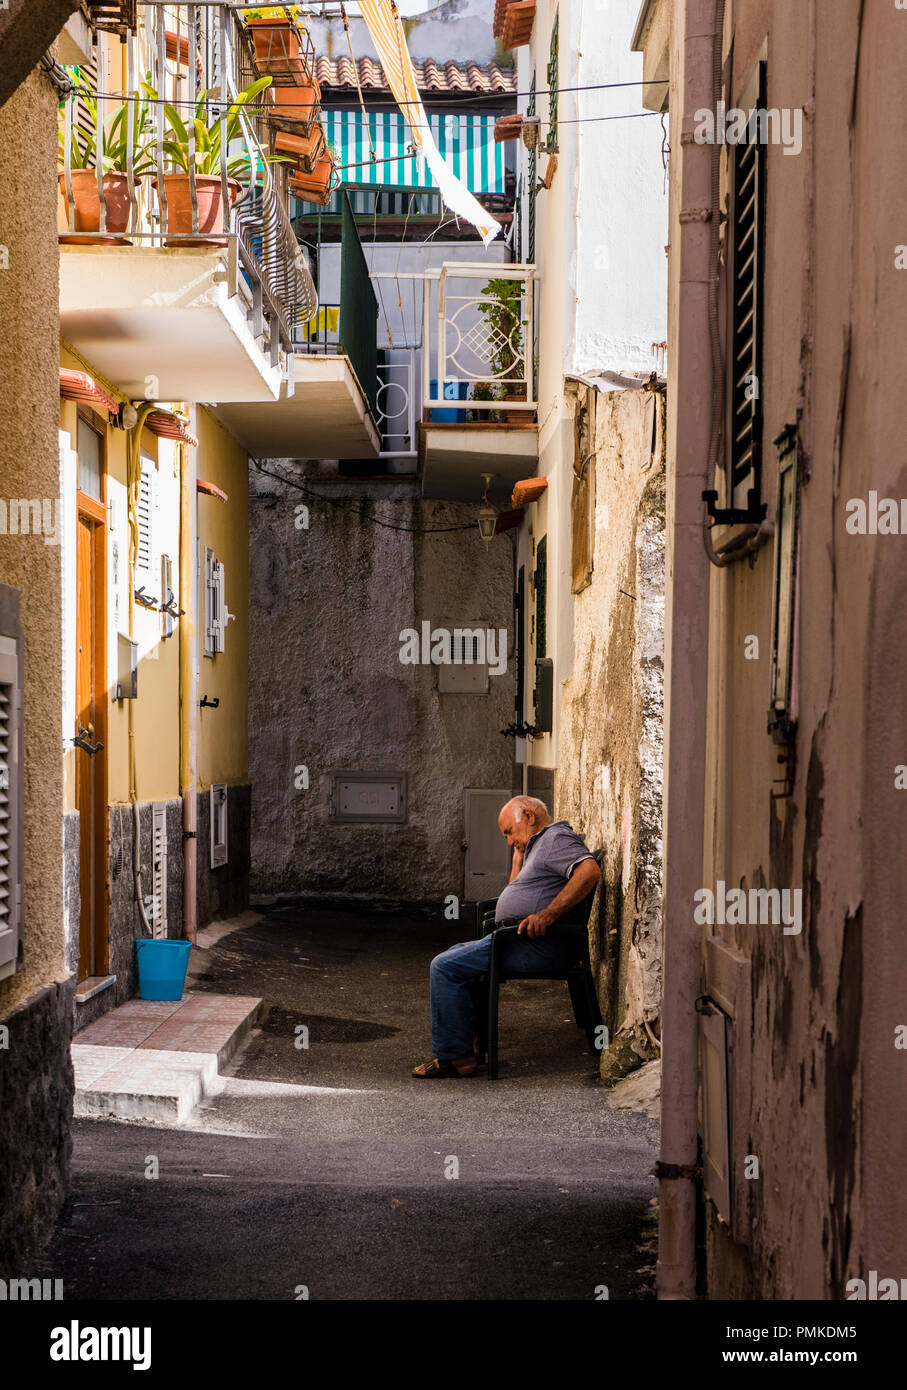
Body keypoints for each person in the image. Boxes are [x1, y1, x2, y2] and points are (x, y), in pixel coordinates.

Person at [411, 796, 600, 1078]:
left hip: (531, 944)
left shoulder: (556, 839)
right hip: (515, 940)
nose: (509, 841)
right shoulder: (539, 846)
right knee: (457, 955)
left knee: (444, 966)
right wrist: (519, 856)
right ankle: (469, 1046)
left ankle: (456, 1058)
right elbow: (515, 890)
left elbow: (589, 871)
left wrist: (547, 915)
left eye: (509, 832)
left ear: (529, 816)